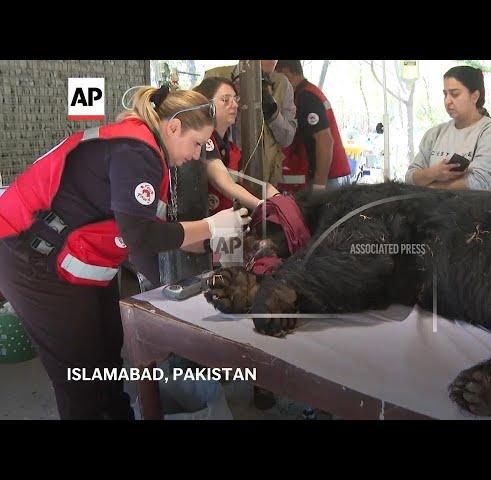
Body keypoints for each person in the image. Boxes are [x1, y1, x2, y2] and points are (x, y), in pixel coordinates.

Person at [0, 86, 250, 419]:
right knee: (81, 375)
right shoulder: (136, 153)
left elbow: (157, 234)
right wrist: (212, 225)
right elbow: (142, 237)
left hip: (75, 260)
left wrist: (214, 243)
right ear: (173, 127)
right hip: (30, 258)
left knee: (107, 354)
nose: (195, 155)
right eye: (194, 144)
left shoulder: (147, 155)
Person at [405, 66, 491, 191]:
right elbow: (410, 177)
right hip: (430, 209)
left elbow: (480, 182)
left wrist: (429, 190)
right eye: (445, 94)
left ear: (475, 96)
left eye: (455, 94)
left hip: (472, 209)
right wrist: (434, 173)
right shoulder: (435, 133)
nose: (447, 101)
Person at [192, 76, 279, 214]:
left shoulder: (232, 148)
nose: (235, 105)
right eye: (226, 100)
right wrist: (264, 207)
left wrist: (279, 200)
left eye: (235, 99)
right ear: (206, 105)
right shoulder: (204, 142)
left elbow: (252, 183)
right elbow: (223, 183)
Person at [205, 60, 297, 186]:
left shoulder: (282, 85)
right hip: (220, 171)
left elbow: (287, 139)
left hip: (263, 177)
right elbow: (200, 125)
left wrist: (273, 114)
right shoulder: (214, 76)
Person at [275, 60, 352, 192]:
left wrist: (319, 187)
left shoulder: (307, 98)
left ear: (285, 73)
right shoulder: (306, 93)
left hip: (324, 180)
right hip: (323, 178)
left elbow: (325, 141)